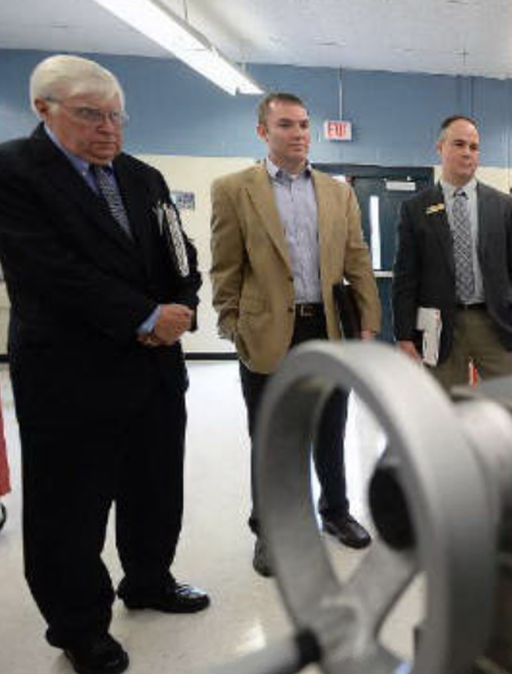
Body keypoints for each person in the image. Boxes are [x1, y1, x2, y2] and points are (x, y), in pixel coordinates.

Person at [0, 54, 206, 674]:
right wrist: (144, 316)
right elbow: (48, 270)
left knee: (155, 490)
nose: (108, 128)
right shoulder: (2, 172)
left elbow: (182, 253)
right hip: (71, 375)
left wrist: (180, 305)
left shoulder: (143, 177)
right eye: (89, 115)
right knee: (69, 511)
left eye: (116, 115)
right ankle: (78, 626)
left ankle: (149, 581)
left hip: (155, 371)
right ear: (42, 110)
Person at [209, 92, 381, 577]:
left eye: (305, 124)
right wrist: (231, 323)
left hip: (325, 326)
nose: (299, 133)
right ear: (263, 132)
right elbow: (225, 266)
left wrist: (368, 322)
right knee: (271, 434)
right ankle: (271, 530)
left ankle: (335, 512)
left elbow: (357, 259)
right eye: (286, 125)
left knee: (331, 425)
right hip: (266, 329)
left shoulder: (336, 191)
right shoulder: (233, 189)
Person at [392, 115, 512, 388]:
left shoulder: (503, 205)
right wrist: (404, 335)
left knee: (511, 405)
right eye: (459, 144)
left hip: (496, 323)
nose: (468, 153)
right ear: (440, 148)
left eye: (474, 146)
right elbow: (405, 276)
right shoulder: (415, 208)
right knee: (444, 410)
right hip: (440, 326)